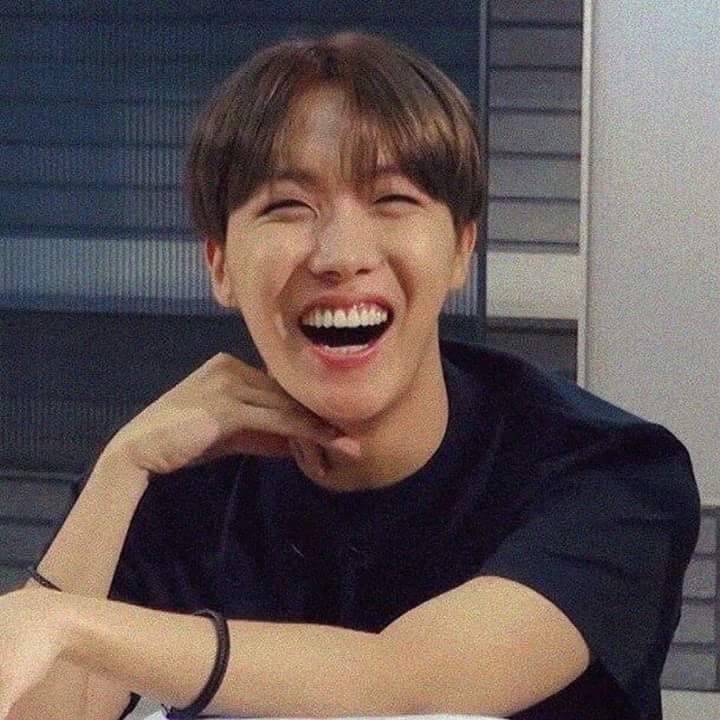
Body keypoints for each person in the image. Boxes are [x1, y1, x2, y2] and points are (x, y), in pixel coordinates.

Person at [0, 31, 699, 720]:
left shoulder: (610, 472)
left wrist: (67, 625)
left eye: (392, 199)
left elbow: (415, 686)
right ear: (219, 264)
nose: (341, 255)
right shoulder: (177, 482)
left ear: (461, 248)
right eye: (287, 207)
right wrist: (120, 468)